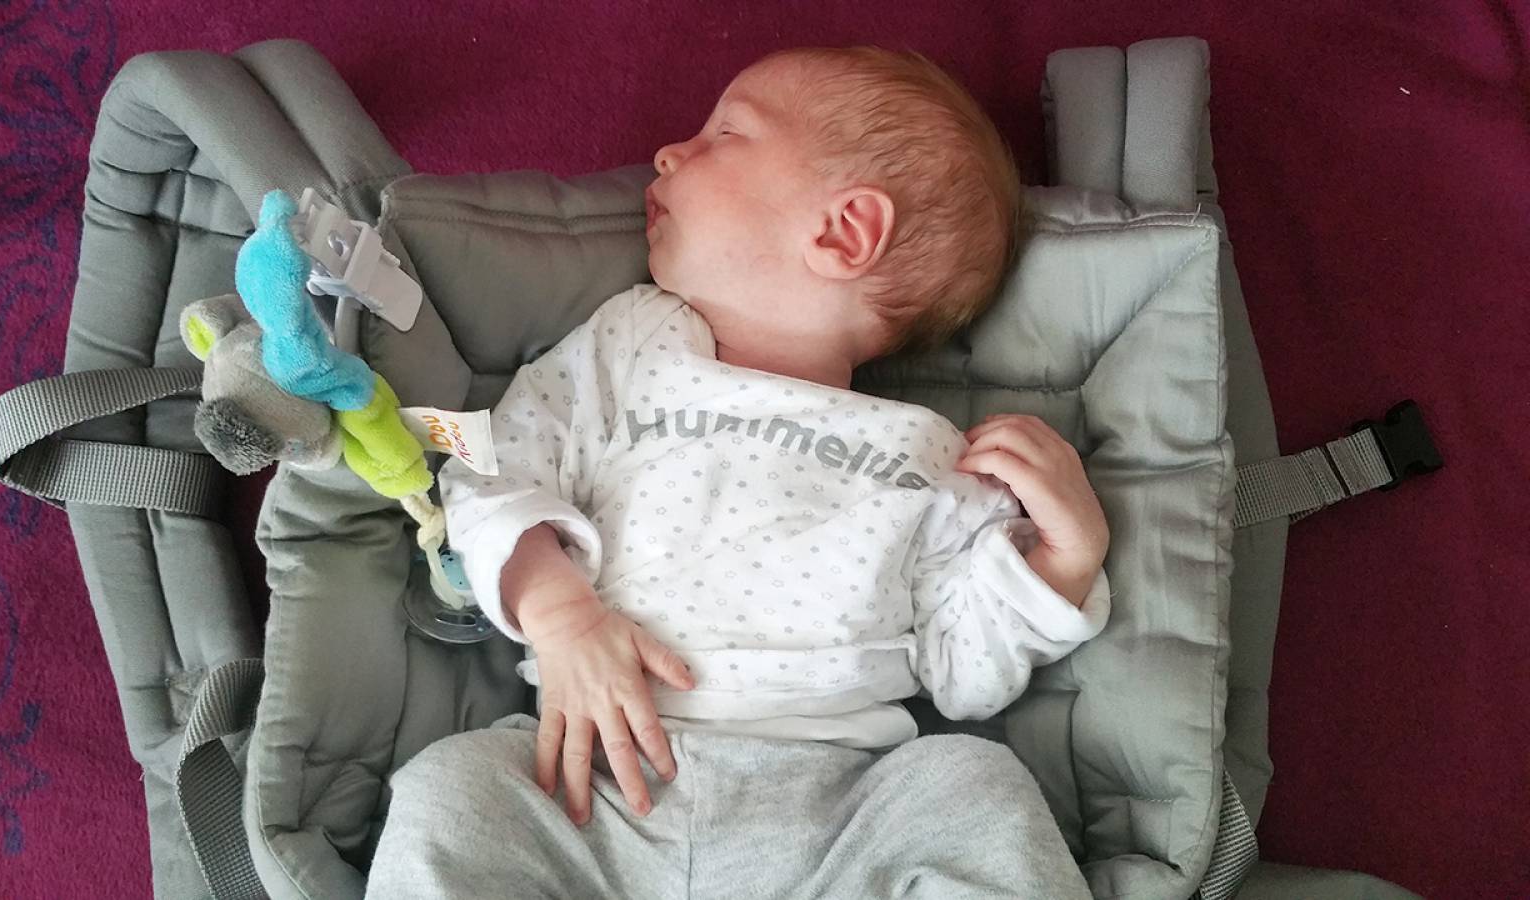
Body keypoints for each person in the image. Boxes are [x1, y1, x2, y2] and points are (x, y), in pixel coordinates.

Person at [365, 46, 1111, 899]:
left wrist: (1066, 558)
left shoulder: (931, 454)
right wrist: (561, 615)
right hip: (591, 786)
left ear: (843, 231)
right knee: (451, 790)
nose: (667, 153)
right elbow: (493, 466)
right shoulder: (632, 343)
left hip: (836, 816)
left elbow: (964, 670)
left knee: (977, 788)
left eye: (724, 134)